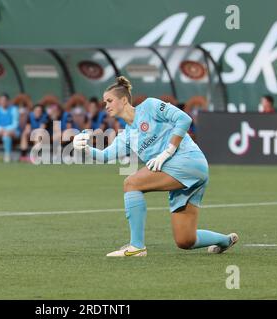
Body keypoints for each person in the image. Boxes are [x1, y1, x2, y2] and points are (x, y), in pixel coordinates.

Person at [73, 76, 238, 257]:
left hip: (188, 161)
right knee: (185, 240)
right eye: (105, 102)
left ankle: (137, 247)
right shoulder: (126, 135)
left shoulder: (150, 106)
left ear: (124, 99)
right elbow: (105, 156)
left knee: (131, 183)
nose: (106, 105)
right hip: (184, 174)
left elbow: (184, 119)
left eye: (110, 100)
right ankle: (225, 240)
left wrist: (168, 151)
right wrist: (86, 149)